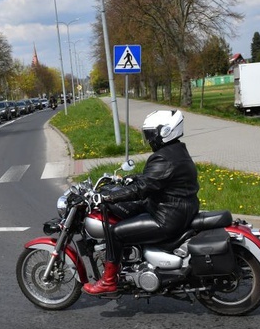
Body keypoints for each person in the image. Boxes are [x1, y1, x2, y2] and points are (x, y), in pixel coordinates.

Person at [83, 110, 200, 295]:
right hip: (175, 207)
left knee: (116, 232)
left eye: (150, 134)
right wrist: (131, 178)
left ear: (165, 131)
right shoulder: (175, 151)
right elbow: (155, 179)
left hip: (167, 216)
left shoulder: (163, 157)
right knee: (126, 210)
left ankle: (108, 281)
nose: (149, 139)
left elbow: (143, 188)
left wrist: (108, 197)